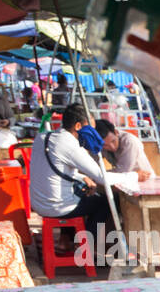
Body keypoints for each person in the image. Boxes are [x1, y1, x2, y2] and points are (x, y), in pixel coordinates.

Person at [29, 103, 113, 266]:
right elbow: (101, 177)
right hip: (56, 206)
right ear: (78, 126)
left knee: (80, 191)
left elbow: (56, 170)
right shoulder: (71, 145)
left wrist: (81, 177)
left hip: (39, 203)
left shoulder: (42, 138)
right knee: (105, 202)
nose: (93, 133)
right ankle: (84, 245)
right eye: (91, 129)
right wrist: (133, 176)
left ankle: (65, 241)